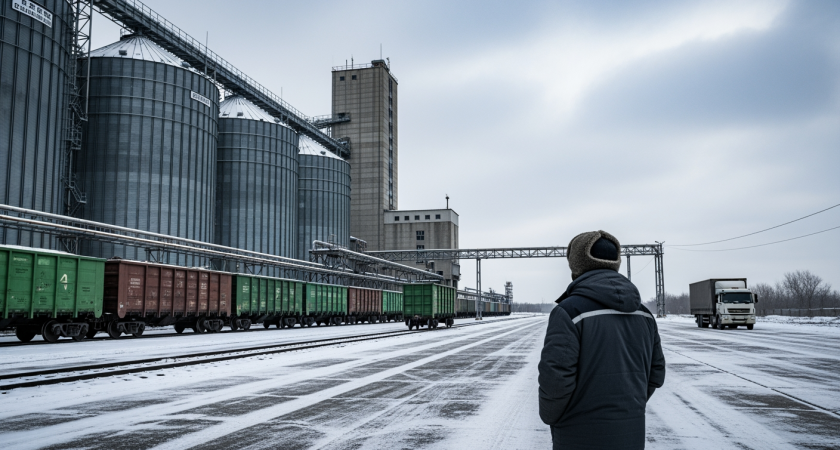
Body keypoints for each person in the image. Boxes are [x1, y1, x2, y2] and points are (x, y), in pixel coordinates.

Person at [538, 230, 666, 449]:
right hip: (631, 435)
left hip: (578, 435)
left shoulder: (569, 312)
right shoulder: (644, 314)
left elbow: (555, 380)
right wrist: (627, 408)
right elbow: (656, 373)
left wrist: (554, 416)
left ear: (577, 264)